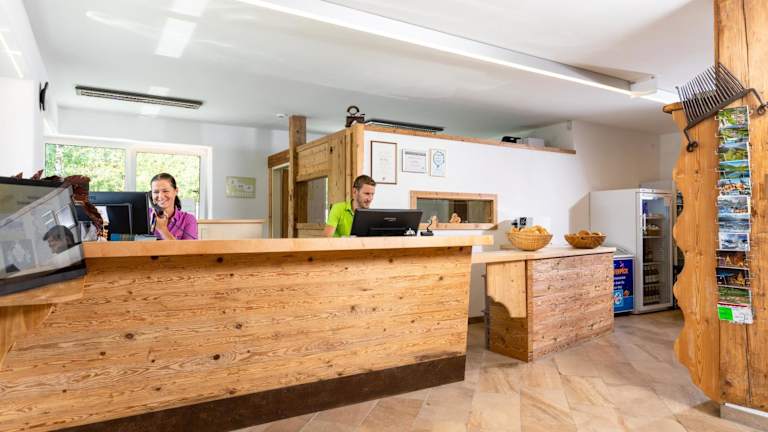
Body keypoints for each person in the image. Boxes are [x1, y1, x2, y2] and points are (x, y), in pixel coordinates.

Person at [150, 173, 198, 240]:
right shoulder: (143, 215)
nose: (160, 196)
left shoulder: (188, 219)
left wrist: (163, 229)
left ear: (176, 191)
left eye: (165, 191)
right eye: (156, 192)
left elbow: (189, 247)